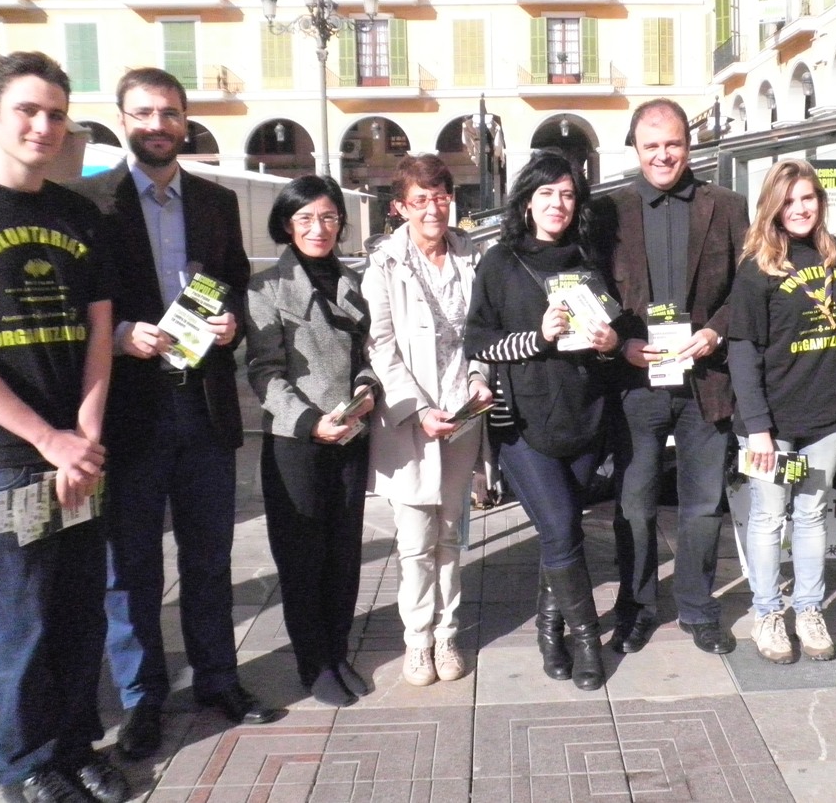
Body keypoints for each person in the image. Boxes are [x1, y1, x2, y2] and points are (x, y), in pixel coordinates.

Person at [69, 68, 276, 761]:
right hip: (128, 410)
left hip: (204, 407)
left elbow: (238, 287)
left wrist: (230, 326)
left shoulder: (216, 203)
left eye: (169, 113)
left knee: (210, 554)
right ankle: (142, 699)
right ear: (122, 117)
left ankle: (218, 678)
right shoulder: (90, 202)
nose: (157, 124)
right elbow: (78, 305)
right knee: (130, 569)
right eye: (143, 112)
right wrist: (121, 334)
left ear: (186, 121)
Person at [0, 52, 127, 803]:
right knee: (24, 622)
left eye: (56, 112)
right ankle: (21, 766)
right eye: (28, 109)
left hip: (80, 454)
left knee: (82, 612)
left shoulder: (79, 214)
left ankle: (76, 747)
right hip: (6, 461)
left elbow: (99, 334)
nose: (44, 125)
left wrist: (81, 437)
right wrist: (47, 440)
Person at [591, 98, 749, 656]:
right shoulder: (607, 211)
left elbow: (745, 286)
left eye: (673, 143)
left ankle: (697, 607)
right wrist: (621, 342)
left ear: (690, 145)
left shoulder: (727, 206)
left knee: (702, 503)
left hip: (705, 377)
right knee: (633, 502)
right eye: (652, 144)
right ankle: (635, 606)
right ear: (635, 149)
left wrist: (715, 333)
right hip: (636, 379)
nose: (663, 154)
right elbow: (594, 287)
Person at [464, 148, 621, 689]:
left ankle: (549, 630)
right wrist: (538, 337)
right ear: (527, 201)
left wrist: (608, 342)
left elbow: (610, 334)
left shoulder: (588, 257)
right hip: (524, 424)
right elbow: (477, 340)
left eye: (568, 194)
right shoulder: (500, 262)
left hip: (586, 417)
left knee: (562, 535)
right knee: (559, 527)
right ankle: (587, 643)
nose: (558, 203)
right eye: (547, 193)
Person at [729, 160, 836, 664]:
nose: (799, 209)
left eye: (807, 198)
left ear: (820, 200)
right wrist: (757, 427)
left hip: (827, 416)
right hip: (770, 420)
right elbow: (742, 348)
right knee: (769, 518)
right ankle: (768, 612)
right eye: (788, 200)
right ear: (773, 205)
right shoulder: (757, 266)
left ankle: (808, 609)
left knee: (811, 514)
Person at [247, 175, 377, 706]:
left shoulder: (352, 281)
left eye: (327, 217)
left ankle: (337, 649)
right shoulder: (266, 289)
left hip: (350, 434)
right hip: (296, 443)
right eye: (305, 219)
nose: (318, 228)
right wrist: (307, 422)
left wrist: (368, 387)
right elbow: (263, 370)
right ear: (286, 225)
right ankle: (313, 662)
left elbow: (369, 354)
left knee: (344, 554)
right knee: (302, 557)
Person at [366, 155, 491, 687]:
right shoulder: (384, 264)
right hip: (411, 425)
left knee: (449, 536)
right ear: (400, 208)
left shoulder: (472, 257)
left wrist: (482, 377)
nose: (432, 208)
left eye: (439, 197)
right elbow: (381, 346)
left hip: (462, 418)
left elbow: (485, 330)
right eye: (420, 200)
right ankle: (417, 640)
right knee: (415, 539)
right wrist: (417, 409)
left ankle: (447, 634)